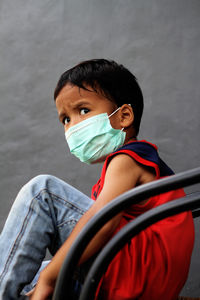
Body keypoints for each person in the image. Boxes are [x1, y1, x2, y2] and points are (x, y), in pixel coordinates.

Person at [0, 59, 194, 300]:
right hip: (137, 277)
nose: (72, 126)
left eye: (83, 110)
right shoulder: (126, 167)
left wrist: (50, 276)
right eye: (65, 120)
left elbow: (103, 223)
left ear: (124, 116)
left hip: (133, 275)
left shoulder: (128, 158)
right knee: (29, 276)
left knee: (42, 191)